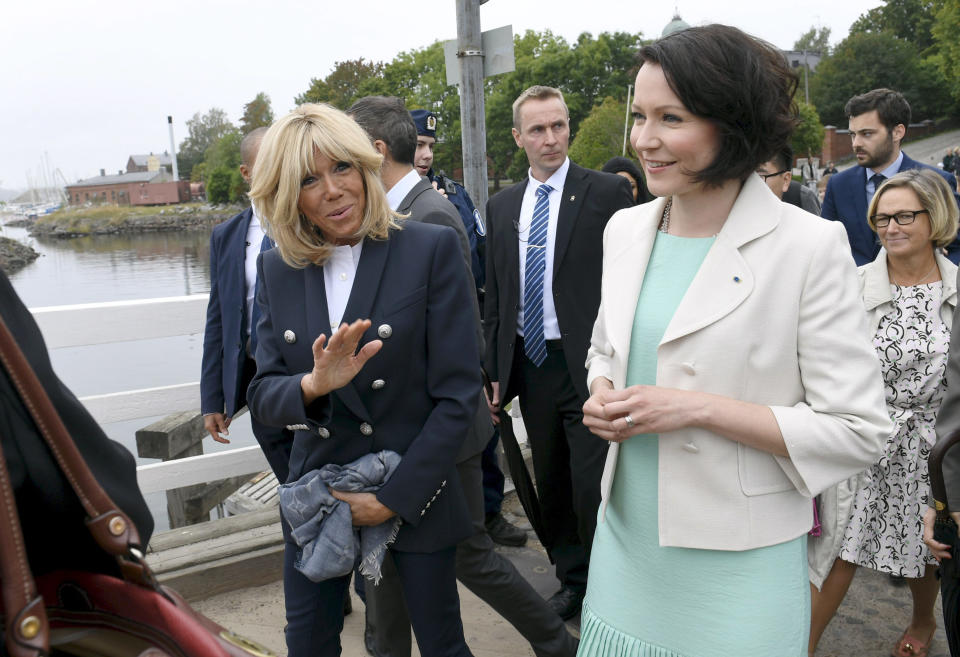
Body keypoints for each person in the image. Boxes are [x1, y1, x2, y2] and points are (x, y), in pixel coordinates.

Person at [578, 24, 890, 657]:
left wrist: (697, 408)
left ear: (733, 122)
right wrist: (601, 390)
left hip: (739, 563)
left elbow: (858, 429)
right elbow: (605, 349)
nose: (644, 139)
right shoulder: (624, 230)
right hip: (625, 543)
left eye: (672, 117)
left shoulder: (809, 246)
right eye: (639, 116)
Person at [246, 103, 478, 657]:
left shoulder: (428, 247)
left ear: (366, 167)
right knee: (308, 643)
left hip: (414, 489)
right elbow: (262, 395)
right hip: (320, 498)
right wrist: (313, 386)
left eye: (341, 169)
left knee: (441, 643)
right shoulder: (278, 269)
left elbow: (459, 394)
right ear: (286, 194)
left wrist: (391, 499)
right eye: (308, 179)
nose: (331, 190)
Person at [349, 95, 575, 657]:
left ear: (375, 152)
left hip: (443, 435)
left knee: (469, 554)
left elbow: (461, 335)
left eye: (345, 155)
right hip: (417, 432)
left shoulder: (429, 216)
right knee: (404, 565)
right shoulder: (400, 215)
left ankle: (557, 643)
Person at [483, 84, 634, 620]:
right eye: (539, 129)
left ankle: (610, 585)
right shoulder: (501, 207)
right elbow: (498, 294)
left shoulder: (607, 193)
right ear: (519, 137)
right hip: (531, 363)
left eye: (559, 126)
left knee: (593, 483)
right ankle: (572, 580)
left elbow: (627, 282)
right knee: (551, 481)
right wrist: (495, 369)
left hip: (589, 366)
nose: (552, 139)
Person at [811, 169, 959, 657]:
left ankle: (923, 622)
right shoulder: (851, 287)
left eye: (903, 216)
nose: (890, 228)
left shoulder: (956, 292)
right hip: (863, 434)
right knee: (840, 549)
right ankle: (800, 645)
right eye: (881, 218)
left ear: (934, 218)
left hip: (930, 445)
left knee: (925, 548)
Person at [410, 107, 525, 547]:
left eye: (431, 147)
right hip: (425, 339)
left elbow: (482, 257)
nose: (425, 154)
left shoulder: (454, 194)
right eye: (419, 145)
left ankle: (489, 512)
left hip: (468, 324)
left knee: (485, 426)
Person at [200, 127, 293, 481]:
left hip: (305, 376)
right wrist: (212, 399)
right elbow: (218, 320)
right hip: (257, 380)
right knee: (288, 479)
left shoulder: (309, 221)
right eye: (267, 162)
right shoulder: (226, 236)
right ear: (247, 172)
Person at [821, 88, 960, 265]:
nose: (856, 144)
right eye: (852, 135)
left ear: (897, 132)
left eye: (867, 134)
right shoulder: (838, 184)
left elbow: (956, 247)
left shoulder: (936, 182)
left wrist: (937, 268)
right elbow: (828, 247)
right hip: (855, 288)